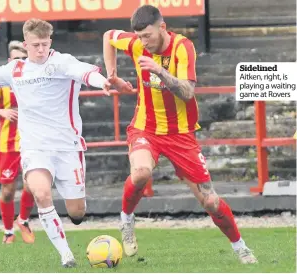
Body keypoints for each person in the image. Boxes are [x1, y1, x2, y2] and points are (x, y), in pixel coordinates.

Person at [102, 5, 258, 264]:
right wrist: (112, 76)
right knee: (141, 173)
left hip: (181, 135)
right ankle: (126, 220)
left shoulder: (183, 47)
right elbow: (108, 35)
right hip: (146, 128)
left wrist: (159, 71)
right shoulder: (137, 44)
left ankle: (241, 247)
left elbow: (187, 92)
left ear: (162, 27)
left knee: (210, 202)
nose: (143, 42)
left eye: (148, 36)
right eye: (139, 37)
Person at [0, 19, 112, 267]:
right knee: (41, 193)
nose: (40, 49)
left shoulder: (62, 62)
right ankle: (66, 254)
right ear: (25, 45)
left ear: (50, 42)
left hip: (68, 147)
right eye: (35, 45)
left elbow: (87, 73)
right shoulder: (15, 69)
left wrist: (105, 83)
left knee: (77, 213)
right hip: (34, 148)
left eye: (44, 44)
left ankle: (75, 213)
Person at [0, 41, 35, 244]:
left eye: (24, 59)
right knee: (8, 191)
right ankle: (8, 231)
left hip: (32, 141)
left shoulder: (36, 80)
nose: (20, 62)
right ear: (9, 61)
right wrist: (1, 111)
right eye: (16, 59)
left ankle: (23, 220)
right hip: (7, 144)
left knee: (32, 185)